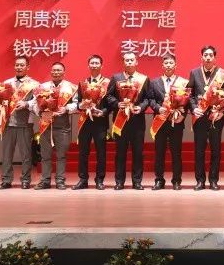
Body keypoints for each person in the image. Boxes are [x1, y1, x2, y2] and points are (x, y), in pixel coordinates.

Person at [189, 45, 224, 190]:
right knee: (199, 151)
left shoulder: (222, 74)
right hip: (200, 117)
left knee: (216, 151)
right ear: (202, 57)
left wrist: (221, 111)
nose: (208, 57)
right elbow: (190, 95)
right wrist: (194, 108)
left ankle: (213, 180)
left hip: (215, 118)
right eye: (205, 55)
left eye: (210, 55)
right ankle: (200, 180)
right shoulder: (194, 73)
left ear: (214, 58)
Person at [108, 51, 150, 190]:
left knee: (138, 153)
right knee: (120, 152)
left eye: (132, 60)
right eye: (127, 60)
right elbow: (109, 96)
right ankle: (119, 181)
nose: (129, 62)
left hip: (137, 121)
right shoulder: (116, 78)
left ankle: (137, 181)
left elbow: (148, 98)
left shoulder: (143, 79)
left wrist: (141, 107)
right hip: (120, 121)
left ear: (136, 62)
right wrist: (117, 104)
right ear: (123, 62)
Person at [32, 62, 78, 190]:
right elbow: (33, 103)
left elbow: (77, 104)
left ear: (64, 72)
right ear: (51, 72)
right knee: (45, 155)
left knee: (61, 155)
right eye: (54, 70)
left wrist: (66, 108)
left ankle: (60, 180)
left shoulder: (71, 87)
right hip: (45, 125)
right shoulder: (42, 87)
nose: (56, 72)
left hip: (62, 126)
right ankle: (45, 180)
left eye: (59, 70)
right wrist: (40, 112)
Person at [147, 54, 188, 190]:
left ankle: (176, 180)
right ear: (162, 65)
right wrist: (158, 108)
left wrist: (183, 115)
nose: (169, 65)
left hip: (176, 121)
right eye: (166, 63)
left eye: (171, 63)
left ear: (175, 65)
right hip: (160, 121)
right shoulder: (154, 82)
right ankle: (159, 180)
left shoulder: (183, 82)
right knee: (159, 152)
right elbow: (151, 99)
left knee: (176, 153)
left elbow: (187, 101)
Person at [0, 56, 39, 189]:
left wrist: (27, 104)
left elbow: (37, 102)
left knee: (26, 154)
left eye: (22, 65)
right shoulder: (7, 83)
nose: (19, 67)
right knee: (7, 154)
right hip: (8, 123)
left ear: (27, 67)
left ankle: (26, 180)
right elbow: (1, 101)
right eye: (17, 65)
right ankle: (6, 180)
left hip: (25, 123)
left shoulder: (34, 84)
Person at [74, 55, 110, 190]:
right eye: (92, 63)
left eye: (97, 63)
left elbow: (110, 104)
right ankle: (83, 179)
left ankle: (99, 180)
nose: (94, 65)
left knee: (101, 152)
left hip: (100, 122)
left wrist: (103, 112)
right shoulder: (83, 83)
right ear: (88, 65)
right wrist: (82, 105)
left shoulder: (108, 83)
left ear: (101, 65)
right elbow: (78, 103)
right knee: (83, 152)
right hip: (85, 122)